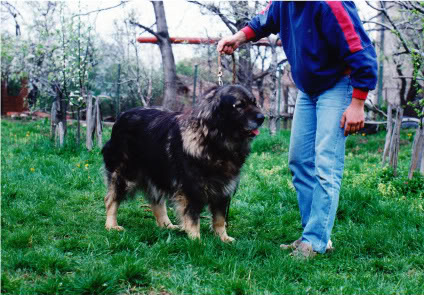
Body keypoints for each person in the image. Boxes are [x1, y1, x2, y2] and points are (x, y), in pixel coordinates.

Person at [217, 1, 377, 258]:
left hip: (338, 85)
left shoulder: (331, 5)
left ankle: (315, 241)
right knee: (300, 161)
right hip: (308, 89)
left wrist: (358, 102)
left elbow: (361, 50)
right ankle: (312, 235)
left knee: (326, 163)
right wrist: (237, 38)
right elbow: (264, 21)